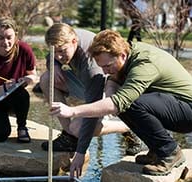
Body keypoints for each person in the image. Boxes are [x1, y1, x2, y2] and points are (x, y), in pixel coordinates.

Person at [50, 29, 192, 177]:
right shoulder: (127, 53)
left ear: (122, 55)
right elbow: (114, 82)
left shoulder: (144, 64)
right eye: (102, 67)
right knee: (122, 103)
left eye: (107, 66)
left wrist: (73, 111)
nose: (105, 72)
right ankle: (156, 150)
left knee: (129, 103)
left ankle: (169, 151)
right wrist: (110, 92)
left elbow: (120, 101)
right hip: (171, 104)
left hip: (188, 111)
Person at [39, 23, 140, 174]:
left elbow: (92, 113)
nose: (58, 56)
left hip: (109, 92)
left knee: (79, 127)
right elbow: (51, 55)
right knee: (47, 78)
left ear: (74, 41)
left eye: (61, 52)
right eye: (55, 52)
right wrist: (54, 65)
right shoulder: (66, 36)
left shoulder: (91, 67)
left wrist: (80, 152)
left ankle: (127, 127)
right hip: (85, 84)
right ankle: (69, 137)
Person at [0, 18, 37, 143]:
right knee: (0, 135)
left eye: (9, 37)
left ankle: (22, 127)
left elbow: (33, 75)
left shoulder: (25, 50)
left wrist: (28, 79)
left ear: (16, 36)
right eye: (0, 37)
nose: (5, 42)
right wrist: (6, 87)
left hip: (15, 94)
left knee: (23, 95)